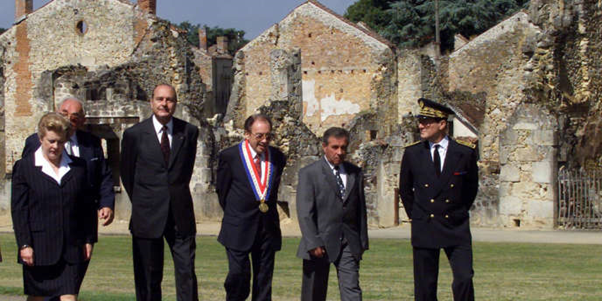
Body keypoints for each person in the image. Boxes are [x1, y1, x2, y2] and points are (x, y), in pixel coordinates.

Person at [21, 97, 115, 301]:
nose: (69, 119)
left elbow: (102, 179)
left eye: (75, 116)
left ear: (82, 119)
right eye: (65, 113)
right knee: (39, 296)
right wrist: (25, 242)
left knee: (70, 292)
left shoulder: (91, 145)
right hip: (42, 237)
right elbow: (22, 199)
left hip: (75, 234)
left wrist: (105, 205)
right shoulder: (32, 147)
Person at [120, 84, 199, 301]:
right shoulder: (134, 135)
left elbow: (186, 170)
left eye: (169, 100)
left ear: (175, 103)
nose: (164, 104)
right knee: (149, 276)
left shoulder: (189, 132)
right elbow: (127, 174)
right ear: (152, 102)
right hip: (147, 215)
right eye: (160, 99)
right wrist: (146, 200)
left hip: (180, 214)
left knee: (186, 274)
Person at [399, 98, 479, 301]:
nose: (421, 126)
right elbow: (406, 190)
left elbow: (470, 189)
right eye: (420, 121)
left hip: (455, 226)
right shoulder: (412, 153)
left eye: (427, 121)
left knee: (464, 278)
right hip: (425, 224)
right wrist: (418, 215)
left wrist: (457, 211)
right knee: (425, 286)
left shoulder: (464, 153)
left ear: (442, 124)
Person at [12, 112, 95, 301]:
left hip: (71, 247)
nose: (55, 147)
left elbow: (87, 207)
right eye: (50, 141)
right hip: (39, 247)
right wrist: (24, 244)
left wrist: (89, 238)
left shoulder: (78, 167)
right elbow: (19, 210)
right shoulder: (25, 168)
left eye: (59, 142)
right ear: (41, 138)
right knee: (37, 298)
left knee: (69, 297)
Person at [216, 114, 286, 301]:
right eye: (259, 135)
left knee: (264, 281)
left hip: (266, 228)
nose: (264, 140)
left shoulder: (278, 157)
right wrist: (236, 212)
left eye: (268, 136)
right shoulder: (229, 156)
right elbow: (222, 191)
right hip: (238, 226)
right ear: (247, 134)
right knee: (238, 275)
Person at [296, 127, 369, 301]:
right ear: (324, 147)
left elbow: (360, 210)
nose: (340, 152)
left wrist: (362, 241)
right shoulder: (309, 173)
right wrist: (313, 242)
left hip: (348, 243)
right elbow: (305, 212)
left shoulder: (355, 173)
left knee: (352, 291)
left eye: (343, 147)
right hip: (319, 244)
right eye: (335, 147)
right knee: (314, 293)